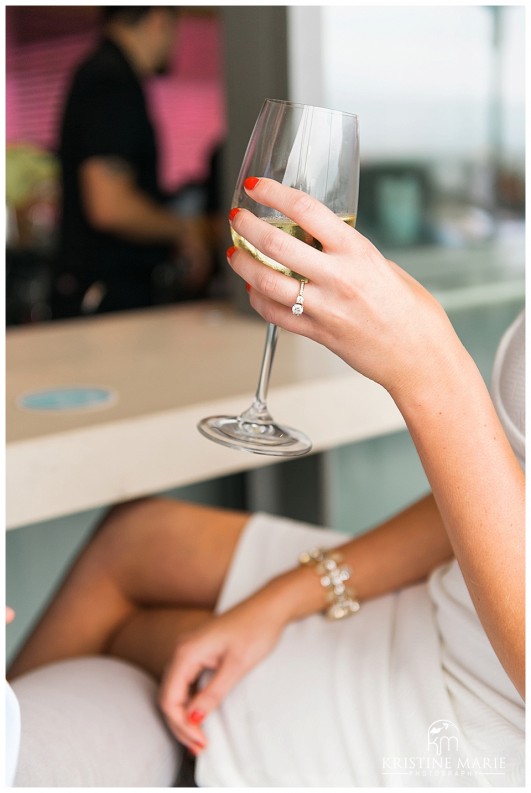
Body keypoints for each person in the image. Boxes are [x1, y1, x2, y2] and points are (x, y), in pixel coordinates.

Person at [9, 178, 524, 786]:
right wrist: (287, 596)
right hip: (449, 603)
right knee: (134, 538)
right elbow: (504, 482)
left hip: (472, 722)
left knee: (141, 639)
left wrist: (431, 370)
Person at [51, 6, 211, 318]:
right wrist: (184, 230)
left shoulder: (104, 74)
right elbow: (110, 207)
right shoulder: (109, 79)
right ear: (158, 19)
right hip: (103, 297)